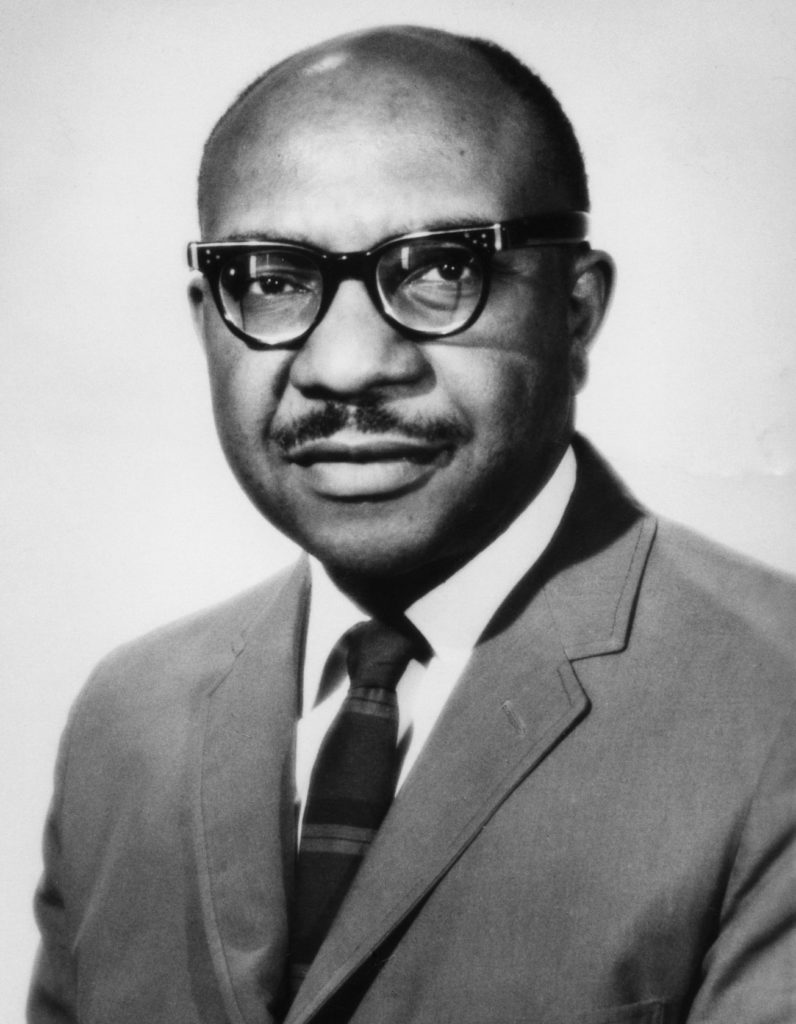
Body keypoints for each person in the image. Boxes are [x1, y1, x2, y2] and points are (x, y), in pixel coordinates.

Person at [28, 24, 796, 1024]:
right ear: (205, 321)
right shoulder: (127, 721)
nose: (346, 364)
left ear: (574, 312)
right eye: (270, 278)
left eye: (442, 268)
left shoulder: (772, 712)